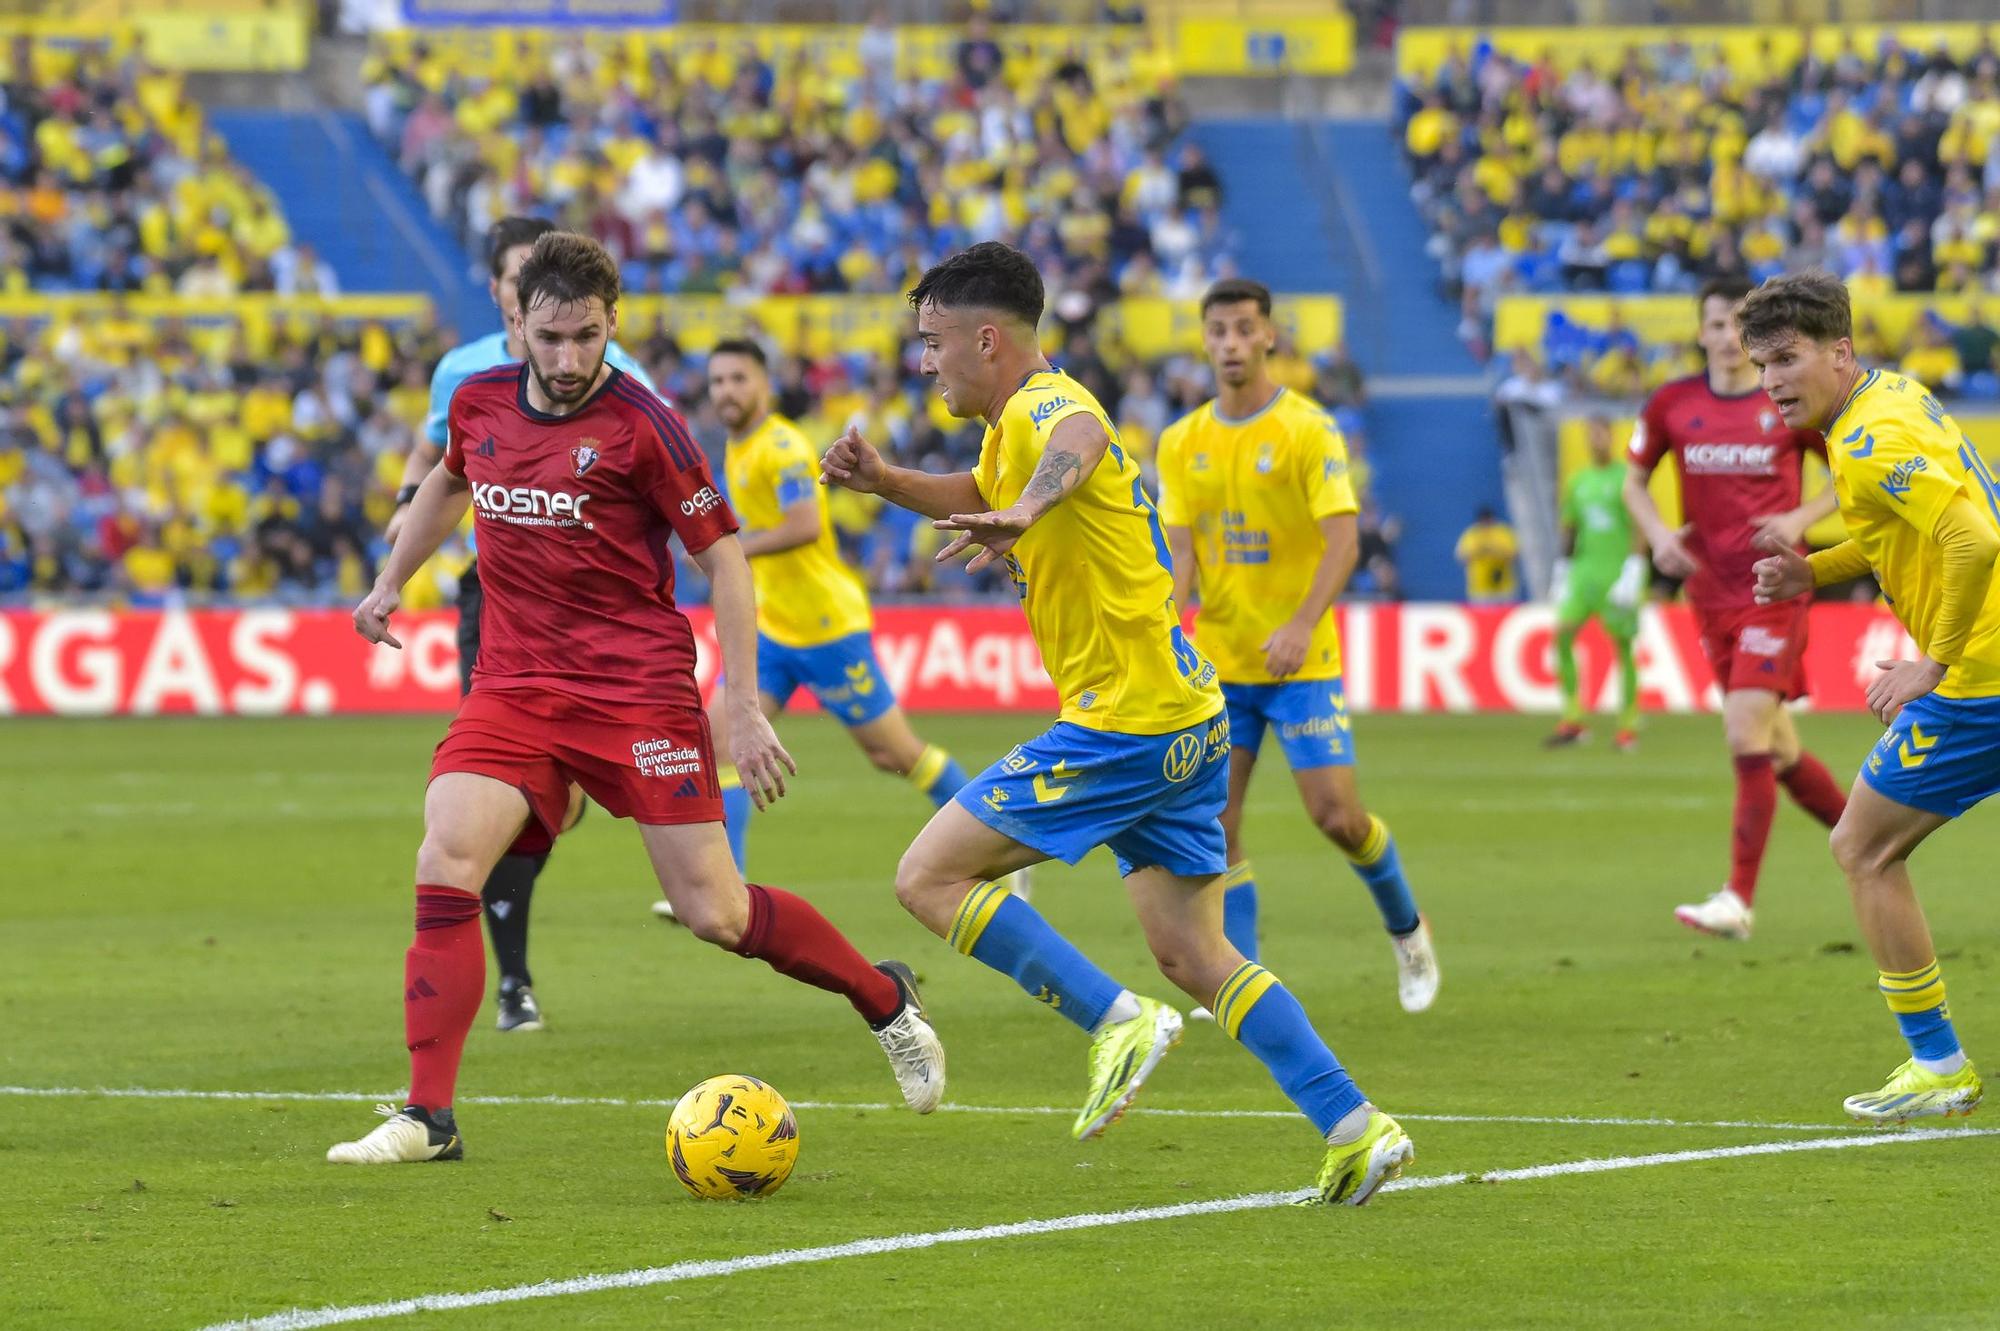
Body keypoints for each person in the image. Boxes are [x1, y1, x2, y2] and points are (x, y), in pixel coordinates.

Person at [329, 232, 944, 1165]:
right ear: (519, 328)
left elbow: (725, 559)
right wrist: (389, 582)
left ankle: (883, 997)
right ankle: (428, 1115)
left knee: (717, 913)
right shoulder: (477, 400)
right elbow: (449, 482)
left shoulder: (645, 426)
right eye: (550, 338)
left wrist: (740, 703)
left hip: (635, 695)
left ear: (611, 325)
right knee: (446, 855)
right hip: (515, 684)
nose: (569, 358)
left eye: (586, 337)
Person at [819, 242, 1413, 1205]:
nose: (922, 362)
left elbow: (1076, 443)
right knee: (1196, 953)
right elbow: (980, 494)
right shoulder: (1007, 428)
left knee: (926, 875)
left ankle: (1112, 1019)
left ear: (985, 338)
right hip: (1186, 718)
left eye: (932, 343)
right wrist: (885, 480)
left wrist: (1031, 505)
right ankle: (1357, 1126)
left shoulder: (1051, 405)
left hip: (1123, 723)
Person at [385, 216, 660, 1034]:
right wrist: (398, 554)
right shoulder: (463, 375)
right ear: (503, 294)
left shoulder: (621, 376)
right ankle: (514, 981)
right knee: (489, 799)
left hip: (599, 617)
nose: (520, 295)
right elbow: (438, 465)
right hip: (497, 597)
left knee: (556, 805)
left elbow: (658, 465)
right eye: (509, 281)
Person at [1745, 269, 1992, 1123]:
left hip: (1981, 678)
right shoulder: (1888, 399)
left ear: (1838, 351)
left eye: (1787, 357)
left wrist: (1935, 661)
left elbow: (1973, 539)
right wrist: (1814, 571)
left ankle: (1938, 1064)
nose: (1772, 380)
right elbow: (1896, 531)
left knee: (1863, 847)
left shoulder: (1868, 436)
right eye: (1759, 364)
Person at [1155, 278, 1439, 1017]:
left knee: (1337, 817)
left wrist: (1300, 624)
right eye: (1217, 331)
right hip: (1221, 662)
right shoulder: (1181, 441)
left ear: (1269, 336)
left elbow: (1344, 543)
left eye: (1244, 329)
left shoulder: (1309, 429)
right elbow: (1181, 555)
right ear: (1206, 340)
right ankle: (1238, 976)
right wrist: (1163, 623)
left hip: (1300, 661)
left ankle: (1408, 929)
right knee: (1217, 826)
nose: (1230, 344)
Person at [653, 338, 982, 896]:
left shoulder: (782, 445)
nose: (726, 391)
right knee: (721, 738)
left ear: (763, 383)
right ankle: (725, 884)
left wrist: (726, 549)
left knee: (894, 754)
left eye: (739, 379)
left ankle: (993, 841)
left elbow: (805, 524)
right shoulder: (740, 445)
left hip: (827, 628)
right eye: (717, 382)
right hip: (774, 629)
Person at [1623, 275, 1847, 941]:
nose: (1726, 338)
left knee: (1743, 732)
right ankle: (1868, 839)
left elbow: (1847, 471)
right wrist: (1661, 536)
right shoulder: (1672, 403)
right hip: (1709, 596)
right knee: (1777, 751)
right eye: (1716, 324)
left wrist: (1799, 515)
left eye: (1737, 327)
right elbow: (1635, 481)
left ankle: (1738, 899)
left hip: (1775, 589)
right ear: (1700, 330)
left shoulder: (1784, 401)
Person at [1546, 417, 1649, 751]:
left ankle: (1628, 724)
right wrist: (1561, 569)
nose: (1596, 440)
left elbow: (1640, 525)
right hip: (1584, 571)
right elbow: (1569, 527)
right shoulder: (1577, 481)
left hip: (1617, 572)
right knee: (1561, 633)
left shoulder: (1626, 478)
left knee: (1622, 647)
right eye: (1591, 435)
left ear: (1611, 437)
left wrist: (1634, 570)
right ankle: (1573, 718)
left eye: (1601, 434)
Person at [1454, 507, 1519, 603]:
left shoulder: (1503, 532)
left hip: (1503, 585)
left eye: (1488, 520)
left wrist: (1495, 552)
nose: (1486, 523)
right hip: (1480, 587)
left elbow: (1514, 555)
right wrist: (1479, 551)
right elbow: (1461, 557)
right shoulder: (1471, 534)